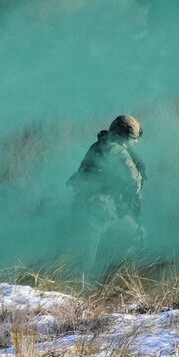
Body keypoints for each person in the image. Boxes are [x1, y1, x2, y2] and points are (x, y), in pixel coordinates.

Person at [67, 115, 146, 271]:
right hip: (100, 210)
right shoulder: (117, 151)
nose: (135, 143)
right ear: (125, 136)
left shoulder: (98, 145)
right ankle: (111, 280)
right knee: (85, 261)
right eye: (133, 139)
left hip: (84, 205)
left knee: (87, 254)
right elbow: (134, 182)